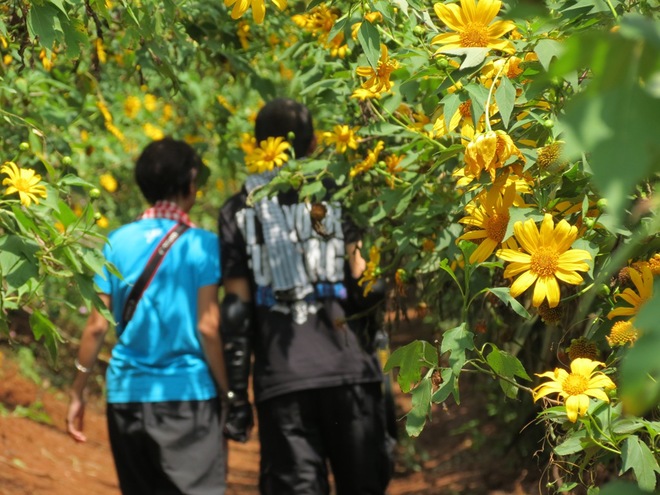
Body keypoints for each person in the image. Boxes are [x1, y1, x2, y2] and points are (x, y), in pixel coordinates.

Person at [219, 98, 393, 494]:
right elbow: (369, 285)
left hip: (283, 381)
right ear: (313, 143)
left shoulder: (236, 210)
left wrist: (236, 394)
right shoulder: (339, 195)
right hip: (349, 372)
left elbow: (236, 312)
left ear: (258, 143)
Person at [67, 137, 229, 495]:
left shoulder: (115, 242)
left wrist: (78, 392)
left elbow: (96, 327)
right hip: (188, 396)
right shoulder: (202, 245)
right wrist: (228, 392)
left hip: (126, 397)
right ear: (190, 184)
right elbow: (208, 326)